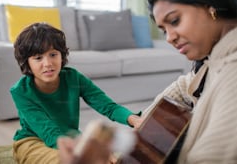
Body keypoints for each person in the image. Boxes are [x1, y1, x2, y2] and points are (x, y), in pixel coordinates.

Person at [57, 0, 237, 164]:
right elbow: (186, 86)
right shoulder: (215, 58)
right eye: (164, 30)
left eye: (174, 21)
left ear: (211, 6)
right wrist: (146, 124)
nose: (169, 38)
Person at [10, 22, 143, 164]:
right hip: (32, 141)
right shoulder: (20, 91)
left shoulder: (74, 78)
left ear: (62, 55)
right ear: (27, 62)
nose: (48, 63)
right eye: (38, 58)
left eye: (53, 54)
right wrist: (82, 151)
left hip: (70, 138)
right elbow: (48, 131)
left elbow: (107, 106)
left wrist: (133, 119)